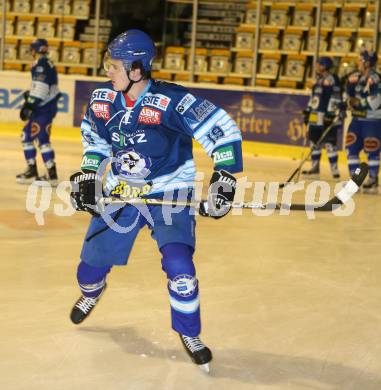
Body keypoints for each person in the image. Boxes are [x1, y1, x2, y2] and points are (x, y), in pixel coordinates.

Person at [69, 29, 243, 371]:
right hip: (122, 193)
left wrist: (224, 176)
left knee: (180, 267)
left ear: (137, 69)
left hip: (169, 192)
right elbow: (94, 137)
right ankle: (92, 292)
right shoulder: (102, 98)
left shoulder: (172, 101)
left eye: (114, 65)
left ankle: (190, 333)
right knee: (89, 269)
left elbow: (220, 128)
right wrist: (90, 173)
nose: (107, 71)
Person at [16, 38, 60, 185]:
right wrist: (31, 96)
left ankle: (52, 175)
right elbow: (41, 86)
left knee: (42, 139)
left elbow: (41, 88)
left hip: (43, 109)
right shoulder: (46, 63)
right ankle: (32, 169)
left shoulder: (41, 64)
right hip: (40, 108)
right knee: (26, 136)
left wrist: (29, 104)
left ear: (35, 50)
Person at [345, 48, 381, 193]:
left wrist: (358, 103)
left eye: (361, 60)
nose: (358, 62)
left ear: (367, 62)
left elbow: (376, 100)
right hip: (357, 120)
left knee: (371, 149)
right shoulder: (358, 77)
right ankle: (355, 180)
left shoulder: (376, 78)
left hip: (372, 121)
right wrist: (344, 104)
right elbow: (350, 96)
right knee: (351, 147)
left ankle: (373, 178)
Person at [302, 56, 343, 179]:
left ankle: (334, 169)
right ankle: (315, 167)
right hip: (315, 115)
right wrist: (308, 111)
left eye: (319, 64)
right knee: (314, 141)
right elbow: (314, 98)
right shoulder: (318, 79)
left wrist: (331, 114)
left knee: (330, 143)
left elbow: (336, 97)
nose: (316, 66)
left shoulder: (332, 79)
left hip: (326, 115)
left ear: (324, 66)